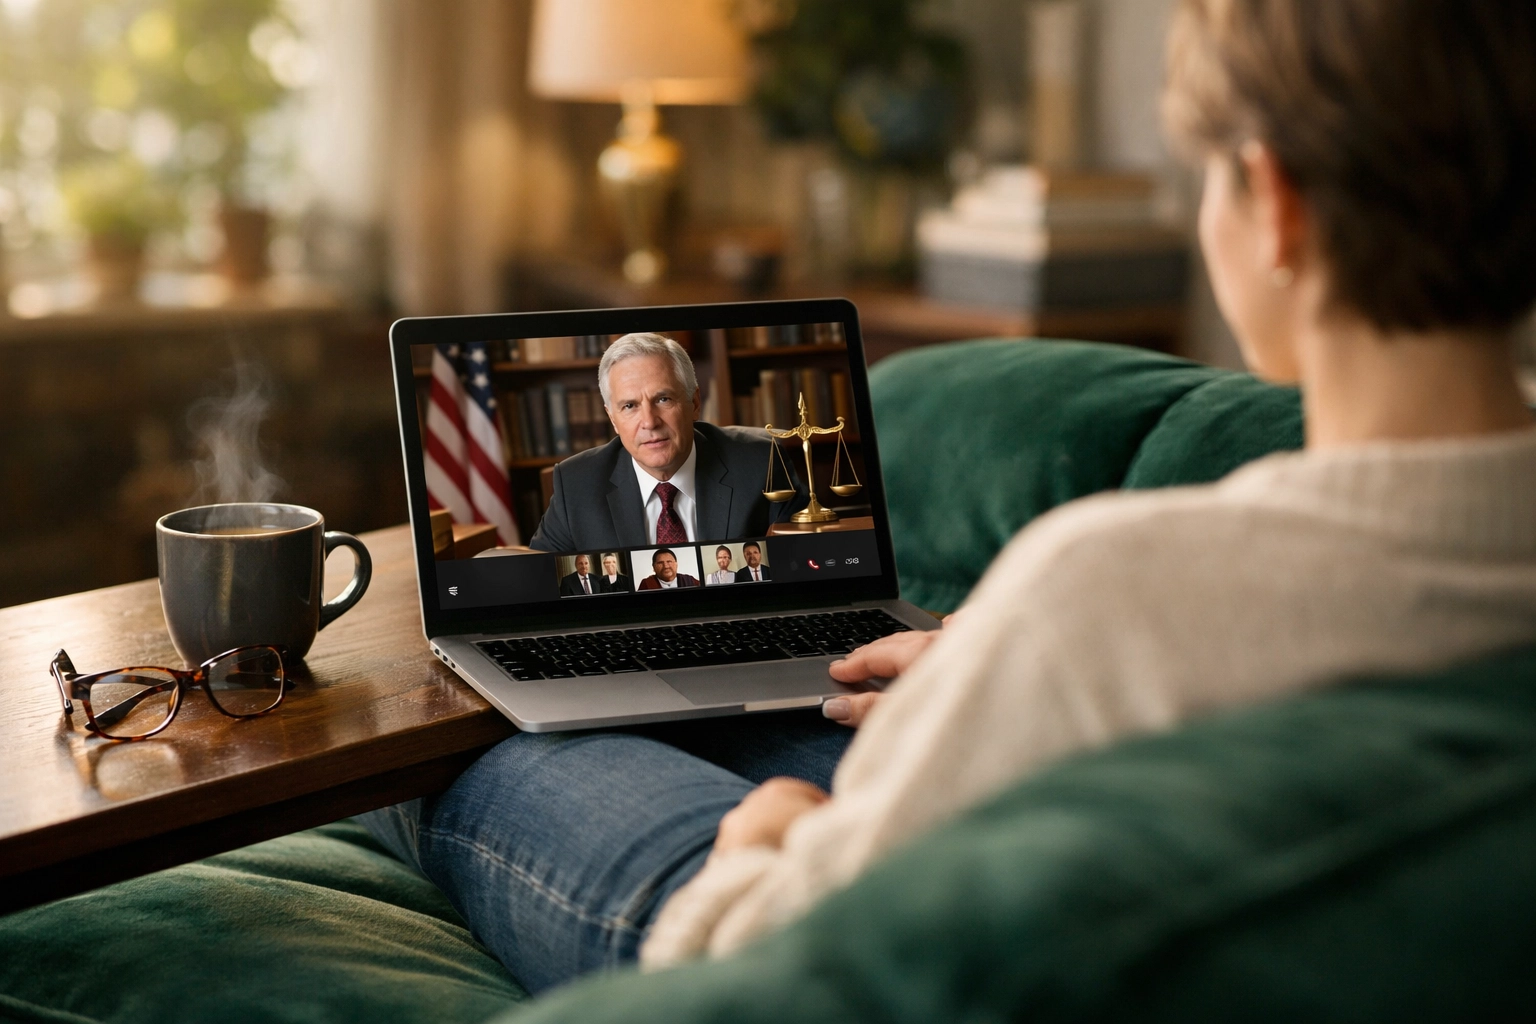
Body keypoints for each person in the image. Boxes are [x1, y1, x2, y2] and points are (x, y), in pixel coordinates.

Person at [362, 0, 1536, 995]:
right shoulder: (1143, 610)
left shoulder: (1117, 590)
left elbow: (762, 968)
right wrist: (1001, 657)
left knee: (454, 752)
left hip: (775, 917)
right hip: (1030, 837)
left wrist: (768, 837)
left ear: (1274, 204)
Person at [528, 334, 805, 552]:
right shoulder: (576, 484)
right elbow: (541, 580)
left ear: (694, 403)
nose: (649, 422)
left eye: (663, 399)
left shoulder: (761, 463)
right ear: (612, 418)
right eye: (629, 406)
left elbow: (804, 560)